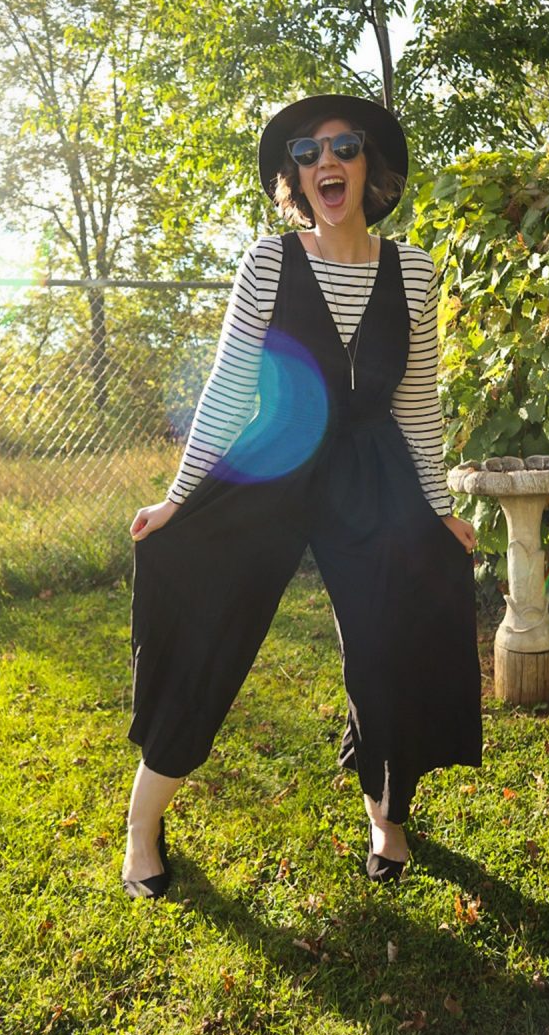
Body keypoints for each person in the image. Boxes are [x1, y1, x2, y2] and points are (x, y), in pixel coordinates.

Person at [122, 93, 482, 899]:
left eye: (345, 148)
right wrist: (181, 497)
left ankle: (386, 817)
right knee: (210, 633)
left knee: (389, 646)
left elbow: (417, 402)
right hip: (275, 463)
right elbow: (227, 388)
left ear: (369, 167)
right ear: (294, 176)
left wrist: (435, 506)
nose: (328, 162)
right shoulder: (269, 261)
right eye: (309, 153)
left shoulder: (413, 270)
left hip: (374, 474)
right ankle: (142, 824)